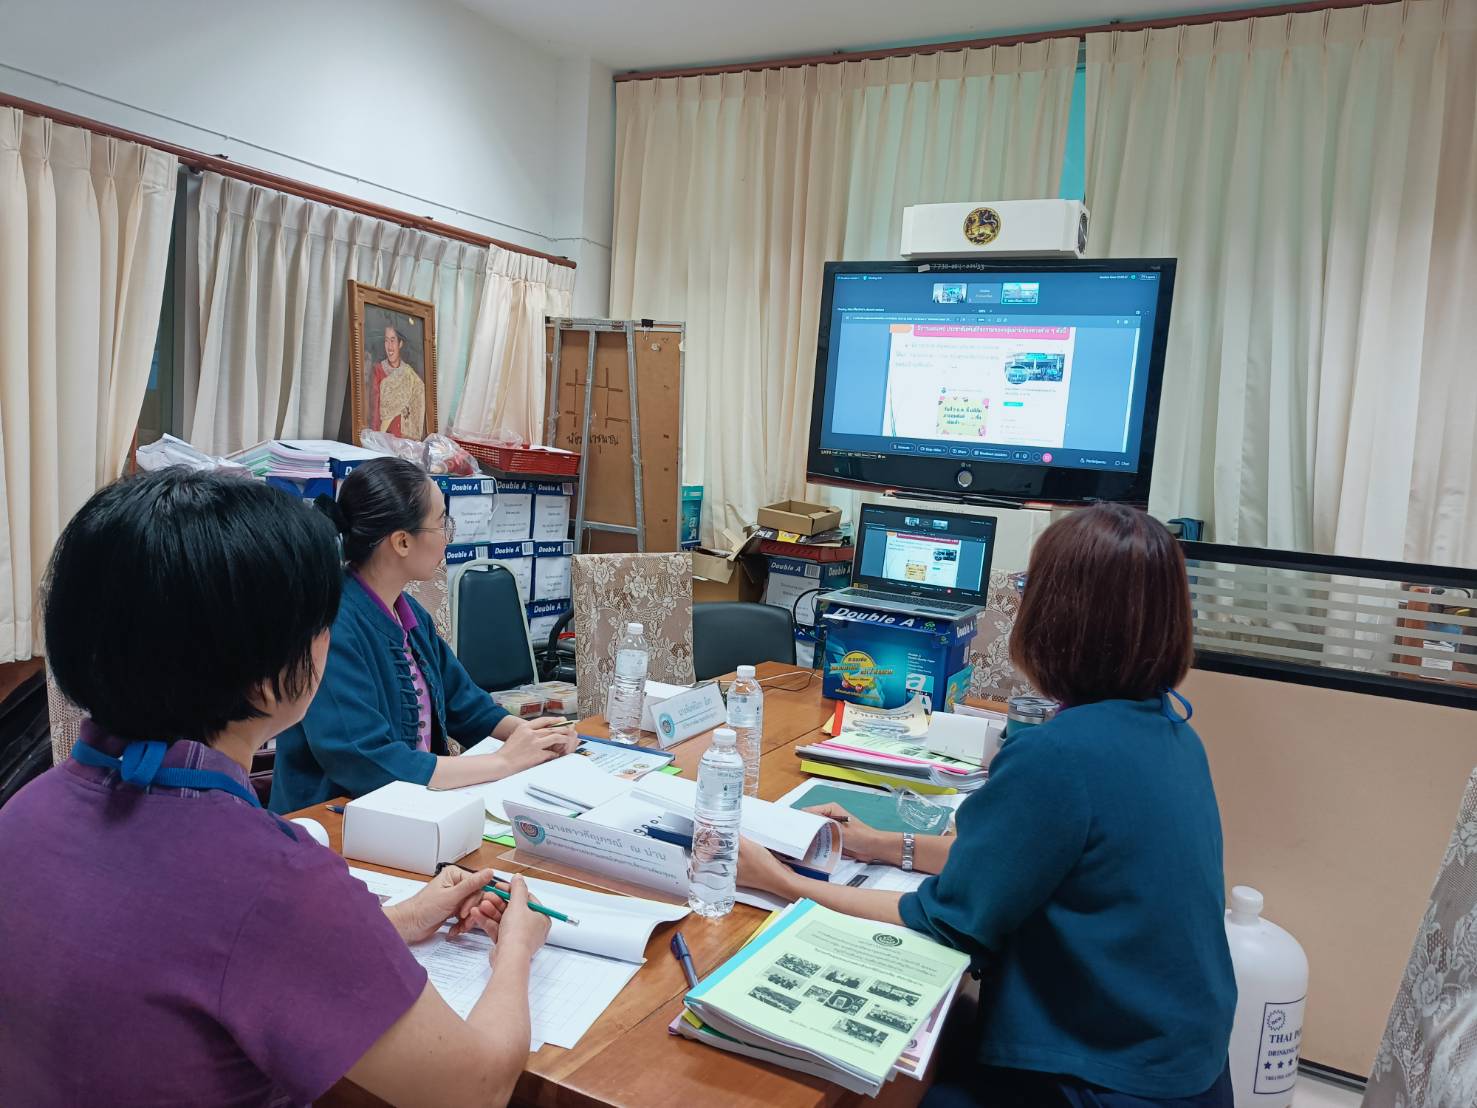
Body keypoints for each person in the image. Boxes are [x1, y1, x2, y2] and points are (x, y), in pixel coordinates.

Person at [0, 468, 550, 1106]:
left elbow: (204, 953)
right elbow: (473, 1088)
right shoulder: (272, 878)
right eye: (320, 623)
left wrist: (396, 920)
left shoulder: (22, 813)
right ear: (267, 680)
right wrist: (517, 948)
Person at [740, 503, 1237, 1107]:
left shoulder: (1060, 756)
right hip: (1182, 1069)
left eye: (1030, 588)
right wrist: (876, 842)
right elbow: (1016, 861)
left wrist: (778, 883)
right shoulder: (1174, 735)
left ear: (1057, 617)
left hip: (1103, 1081)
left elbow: (942, 925)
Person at [271, 456, 576, 813]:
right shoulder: (332, 626)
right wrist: (503, 762)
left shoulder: (410, 614)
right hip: (335, 822)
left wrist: (534, 737)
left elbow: (465, 703)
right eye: (441, 522)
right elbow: (366, 760)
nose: (449, 536)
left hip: (409, 810)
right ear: (401, 542)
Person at [368, 322, 427, 439]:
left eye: (393, 340)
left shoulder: (410, 375)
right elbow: (374, 409)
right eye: (386, 340)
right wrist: (375, 438)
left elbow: (417, 404)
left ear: (400, 344)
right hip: (383, 439)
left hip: (405, 442)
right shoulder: (378, 370)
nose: (389, 346)